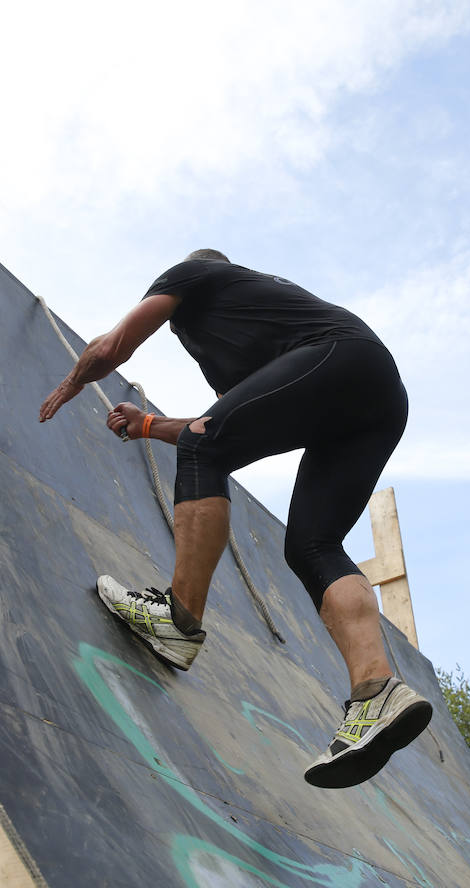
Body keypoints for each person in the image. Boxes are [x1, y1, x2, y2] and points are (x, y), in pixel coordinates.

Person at [39, 249, 432, 789]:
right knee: (312, 546)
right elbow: (217, 428)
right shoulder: (235, 347)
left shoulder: (198, 274)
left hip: (340, 357)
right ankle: (378, 691)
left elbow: (114, 347)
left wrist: (75, 380)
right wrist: (150, 424)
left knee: (205, 450)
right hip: (376, 398)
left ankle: (177, 621)